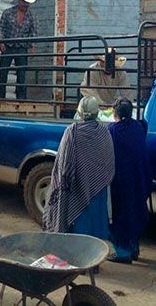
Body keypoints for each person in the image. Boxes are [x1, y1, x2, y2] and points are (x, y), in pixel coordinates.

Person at [43, 96, 114, 239]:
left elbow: (64, 165)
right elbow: (109, 161)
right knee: (95, 230)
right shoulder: (104, 131)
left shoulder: (72, 131)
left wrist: (63, 181)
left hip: (77, 189)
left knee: (80, 232)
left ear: (80, 113)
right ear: (96, 113)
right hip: (99, 189)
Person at [108, 98, 152, 263]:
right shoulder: (139, 127)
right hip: (140, 177)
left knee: (119, 215)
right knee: (135, 210)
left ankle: (122, 253)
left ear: (115, 113)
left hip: (121, 180)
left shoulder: (112, 130)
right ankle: (134, 248)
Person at [0, 0, 39, 100]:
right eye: (24, 2)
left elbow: (34, 32)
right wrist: (1, 41)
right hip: (8, 46)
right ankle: (0, 94)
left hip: (22, 47)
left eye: (27, 3)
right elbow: (1, 28)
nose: (26, 5)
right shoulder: (8, 13)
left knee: (21, 74)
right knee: (3, 71)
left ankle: (21, 96)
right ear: (19, 1)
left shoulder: (32, 16)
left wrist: (32, 45)